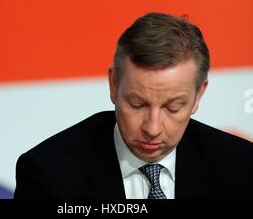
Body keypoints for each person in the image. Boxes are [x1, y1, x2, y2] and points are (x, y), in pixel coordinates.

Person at [14, 12, 253, 199]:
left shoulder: (240, 168)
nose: (152, 128)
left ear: (199, 95)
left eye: (173, 107)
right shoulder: (49, 174)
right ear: (113, 84)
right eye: (137, 104)